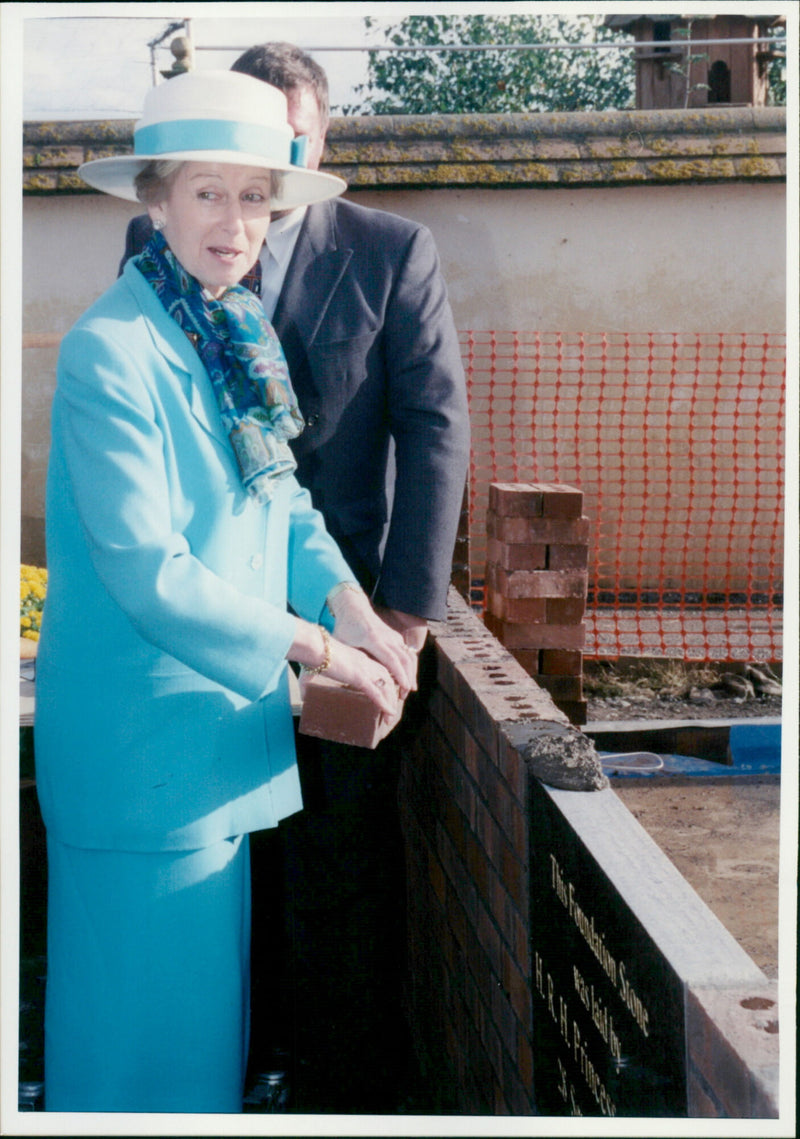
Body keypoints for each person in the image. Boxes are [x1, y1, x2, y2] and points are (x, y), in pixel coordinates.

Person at [34, 68, 418, 1115]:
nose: (235, 222)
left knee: (200, 1058)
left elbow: (280, 497)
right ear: (155, 199)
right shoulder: (111, 350)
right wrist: (322, 650)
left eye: (254, 196)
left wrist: (347, 604)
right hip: (137, 763)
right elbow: (148, 572)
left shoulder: (226, 330)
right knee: (133, 1069)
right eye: (208, 192)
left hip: (208, 754)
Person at [120, 43, 471, 1113]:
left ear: (320, 145)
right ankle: (246, 1060)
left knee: (338, 854)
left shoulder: (392, 250)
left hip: (342, 605)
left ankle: (345, 1082)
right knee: (230, 846)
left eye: (293, 145)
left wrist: (401, 614)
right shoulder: (156, 243)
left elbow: (436, 428)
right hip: (211, 610)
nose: (259, 184)